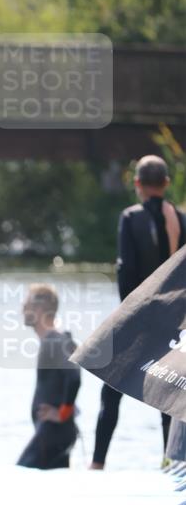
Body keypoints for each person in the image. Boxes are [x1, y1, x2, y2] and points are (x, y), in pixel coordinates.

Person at [90, 155, 186, 469]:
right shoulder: (181, 219)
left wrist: (125, 315)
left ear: (137, 184)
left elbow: (126, 269)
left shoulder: (130, 217)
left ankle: (98, 463)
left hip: (138, 312)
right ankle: (170, 463)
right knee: (169, 389)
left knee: (112, 386)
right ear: (167, 184)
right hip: (173, 318)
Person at [17, 283, 81, 470]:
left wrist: (63, 412)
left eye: (25, 305)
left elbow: (74, 377)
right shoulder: (54, 340)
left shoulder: (55, 340)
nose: (22, 310)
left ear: (38, 310)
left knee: (19, 477)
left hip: (53, 433)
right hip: (55, 433)